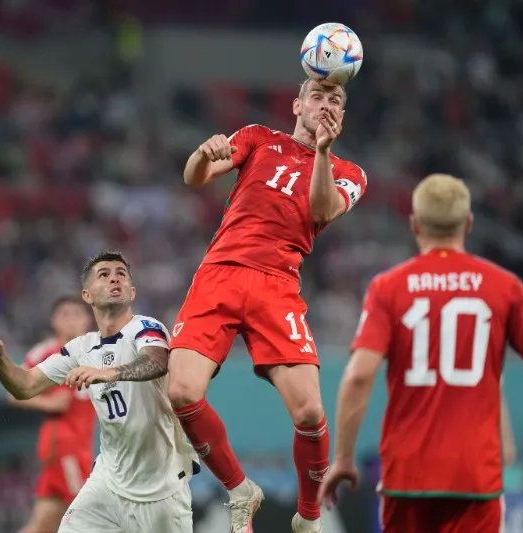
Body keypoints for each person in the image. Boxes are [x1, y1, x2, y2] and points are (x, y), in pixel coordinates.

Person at [318, 174, 523, 532]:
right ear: (469, 224)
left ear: (415, 225)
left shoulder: (388, 288)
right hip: (475, 480)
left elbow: (358, 376)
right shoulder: (505, 288)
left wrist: (343, 458)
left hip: (407, 478)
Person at [168, 78, 368, 533]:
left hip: (277, 285)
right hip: (220, 271)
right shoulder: (258, 137)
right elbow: (195, 177)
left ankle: (309, 518)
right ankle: (240, 489)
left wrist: (322, 151)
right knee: (181, 393)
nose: (325, 104)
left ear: (342, 115)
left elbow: (322, 210)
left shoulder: (350, 172)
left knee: (310, 413)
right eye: (317, 96)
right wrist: (202, 153)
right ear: (297, 104)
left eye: (335, 99)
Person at [0, 251, 197, 533]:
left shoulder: (146, 328)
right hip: (107, 484)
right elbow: (25, 385)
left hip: (160, 490)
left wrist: (109, 372)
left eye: (121, 273)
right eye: (104, 274)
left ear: (132, 292)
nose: (114, 278)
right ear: (87, 295)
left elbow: (157, 361)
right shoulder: (80, 349)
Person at [10, 295, 94, 533]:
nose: (72, 321)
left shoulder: (95, 351)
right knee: (88, 515)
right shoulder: (45, 352)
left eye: (77, 314)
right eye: (65, 315)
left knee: (43, 523)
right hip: (65, 447)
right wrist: (47, 404)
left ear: (88, 320)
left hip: (78, 446)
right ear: (53, 321)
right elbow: (14, 392)